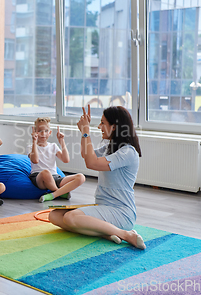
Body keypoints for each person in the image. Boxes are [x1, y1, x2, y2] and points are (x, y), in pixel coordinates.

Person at [49, 105, 146, 250]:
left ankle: (126, 234)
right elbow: (86, 154)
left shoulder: (128, 152)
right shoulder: (109, 147)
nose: (99, 127)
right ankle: (105, 233)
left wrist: (86, 130)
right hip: (102, 206)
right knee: (54, 216)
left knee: (70, 218)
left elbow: (91, 162)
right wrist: (83, 132)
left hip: (121, 212)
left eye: (103, 123)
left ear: (114, 127)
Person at [28, 117, 85, 203]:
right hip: (39, 177)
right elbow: (35, 160)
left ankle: (53, 195)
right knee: (46, 172)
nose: (43, 133)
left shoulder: (53, 146)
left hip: (55, 177)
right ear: (35, 132)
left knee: (81, 177)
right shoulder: (31, 147)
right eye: (40, 131)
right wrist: (34, 141)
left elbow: (66, 160)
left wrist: (61, 141)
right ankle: (60, 193)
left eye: (46, 131)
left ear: (50, 133)